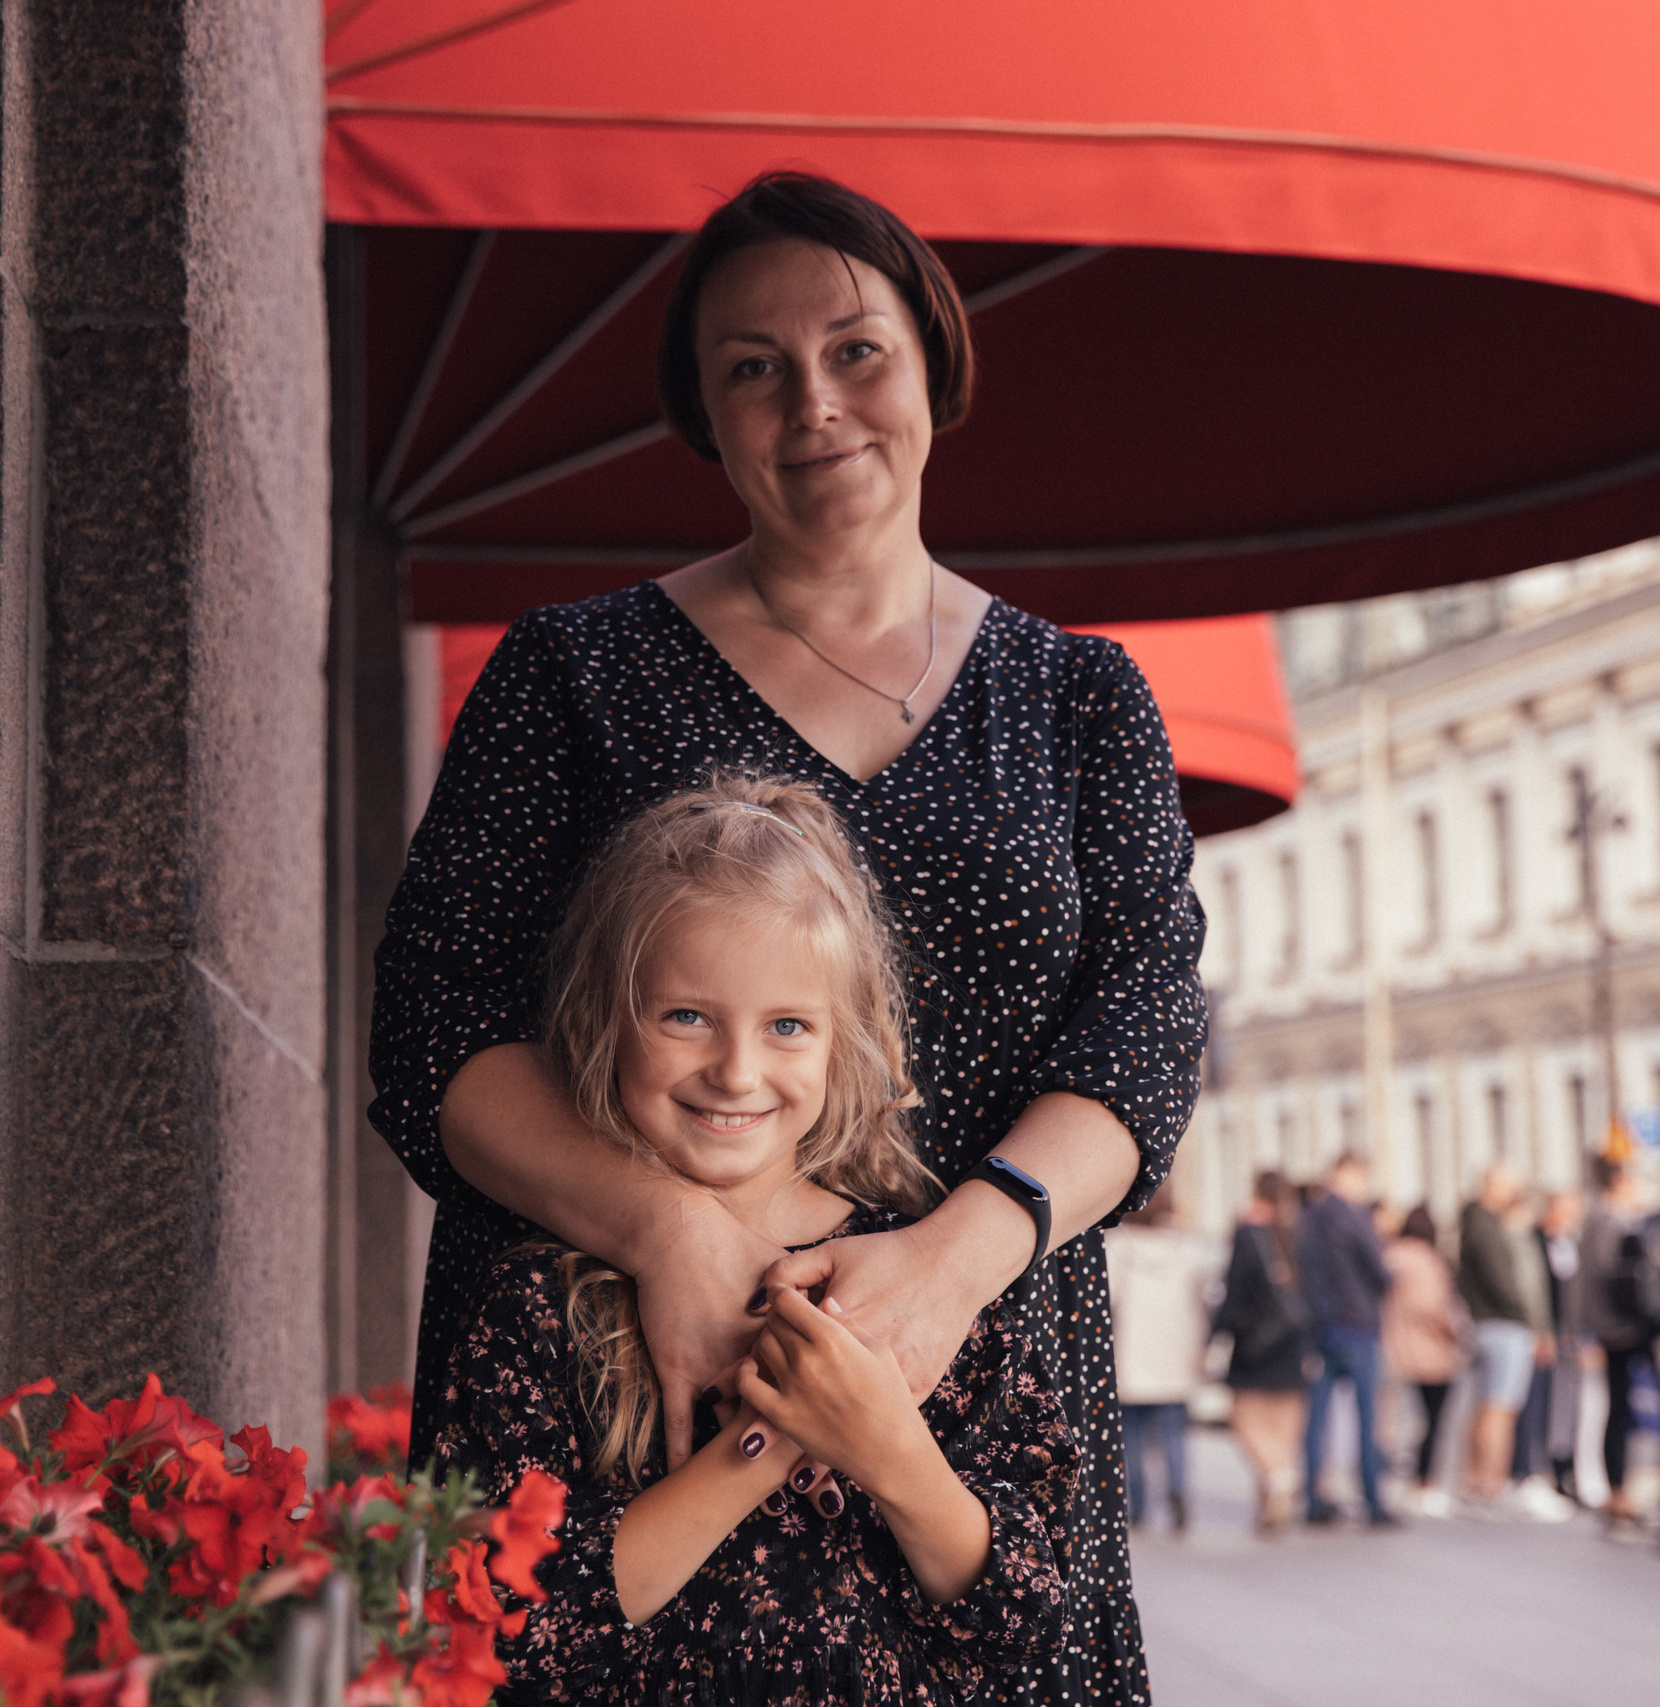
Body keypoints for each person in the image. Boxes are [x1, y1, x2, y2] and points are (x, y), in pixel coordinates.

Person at [371, 171, 1206, 1706]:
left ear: (933, 363)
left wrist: (959, 1260)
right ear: (702, 412)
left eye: (854, 349)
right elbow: (430, 1029)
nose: (813, 401)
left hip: (969, 1381)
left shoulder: (1083, 697)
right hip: (615, 1368)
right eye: (752, 367)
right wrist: (665, 1227)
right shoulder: (570, 671)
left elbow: (1144, 1035)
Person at [434, 780, 1073, 1702]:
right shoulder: (541, 1303)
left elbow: (1027, 1626)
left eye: (787, 1027)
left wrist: (890, 1448)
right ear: (606, 1020)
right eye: (686, 1016)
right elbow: (506, 1624)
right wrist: (772, 1437)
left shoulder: (918, 1292)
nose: (737, 1071)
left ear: (842, 1046)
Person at [1294, 1152, 1397, 1526]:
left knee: (1317, 1419)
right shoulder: (1354, 1217)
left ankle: (1313, 1498)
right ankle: (1372, 1499)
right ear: (1349, 1175)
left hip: (1320, 1327)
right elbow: (1379, 1271)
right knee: (1367, 1418)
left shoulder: (1309, 1217)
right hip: (1357, 1325)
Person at [1106, 1183, 1216, 1533]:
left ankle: (1137, 1507)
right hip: (1175, 1353)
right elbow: (1204, 1299)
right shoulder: (1188, 1247)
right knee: (1173, 1434)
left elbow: (1108, 1301)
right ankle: (1177, 1493)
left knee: (1131, 1437)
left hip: (1130, 1354)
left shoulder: (1119, 1247)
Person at [1456, 1164, 1558, 1516]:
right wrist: (1529, 1321)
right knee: (1499, 1409)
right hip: (1503, 1325)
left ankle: (1480, 1483)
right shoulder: (1484, 1226)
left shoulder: (1481, 1224)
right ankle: (1488, 1484)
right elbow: (1504, 1282)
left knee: (1491, 1407)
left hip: (1495, 1324)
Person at [1217, 1170, 1313, 1531]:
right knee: (1282, 1429)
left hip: (1255, 1342)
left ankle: (1278, 1480)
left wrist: (1215, 1336)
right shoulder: (1300, 1233)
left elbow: (1233, 1291)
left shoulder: (1248, 1232)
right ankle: (1272, 1504)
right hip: (1294, 1342)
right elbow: (1315, 1295)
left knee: (1243, 1418)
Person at [1578, 1156, 1660, 1533]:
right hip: (1620, 1327)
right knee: (1619, 1409)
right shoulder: (1608, 1219)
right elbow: (1606, 1274)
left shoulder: (1608, 1218)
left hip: (1618, 1325)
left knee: (1623, 1408)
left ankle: (1627, 1488)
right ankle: (1617, 1491)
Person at [1383, 1203, 1466, 1518]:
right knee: (1434, 1421)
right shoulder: (1427, 1260)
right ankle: (1424, 1484)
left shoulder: (1390, 1255)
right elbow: (1434, 1307)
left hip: (1395, 1347)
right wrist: (1455, 1334)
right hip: (1431, 1351)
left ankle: (1400, 1480)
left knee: (1396, 1420)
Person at [1513, 1189, 1585, 1510]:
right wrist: (1541, 1331)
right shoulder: (1533, 1242)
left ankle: (1562, 1470)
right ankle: (1527, 1471)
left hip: (1570, 1334)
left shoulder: (1572, 1244)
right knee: (1534, 1404)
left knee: (1567, 1407)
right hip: (1545, 1333)